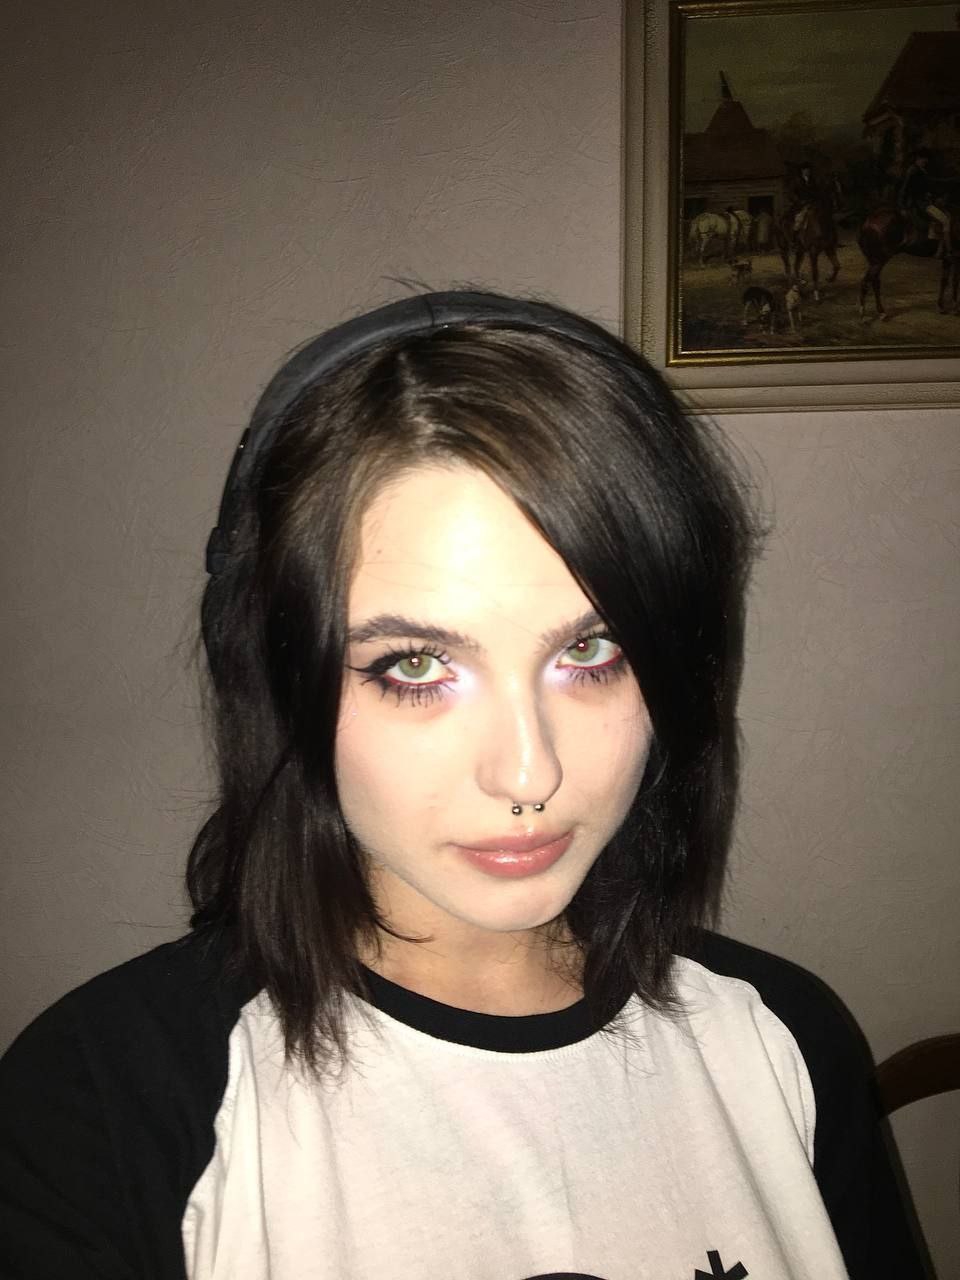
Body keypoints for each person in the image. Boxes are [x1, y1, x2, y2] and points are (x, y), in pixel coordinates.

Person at [0, 291, 930, 1279]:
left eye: (592, 650)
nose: (528, 772)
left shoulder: (786, 1037)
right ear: (280, 679)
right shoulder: (102, 1101)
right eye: (416, 666)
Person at [898, 148, 951, 257]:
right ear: (917, 159)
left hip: (925, 203)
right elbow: (904, 189)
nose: (925, 161)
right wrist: (902, 206)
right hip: (920, 205)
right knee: (945, 220)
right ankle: (949, 251)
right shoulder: (913, 171)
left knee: (944, 218)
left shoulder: (921, 171)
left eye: (926, 159)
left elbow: (928, 185)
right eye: (923, 158)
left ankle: (939, 251)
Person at [788, 161, 821, 235]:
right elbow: (791, 193)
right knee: (800, 218)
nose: (808, 171)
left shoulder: (813, 181)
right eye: (806, 170)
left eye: (809, 170)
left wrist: (816, 199)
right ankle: (795, 234)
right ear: (802, 171)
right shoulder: (796, 181)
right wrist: (799, 201)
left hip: (813, 203)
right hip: (800, 204)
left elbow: (817, 192)